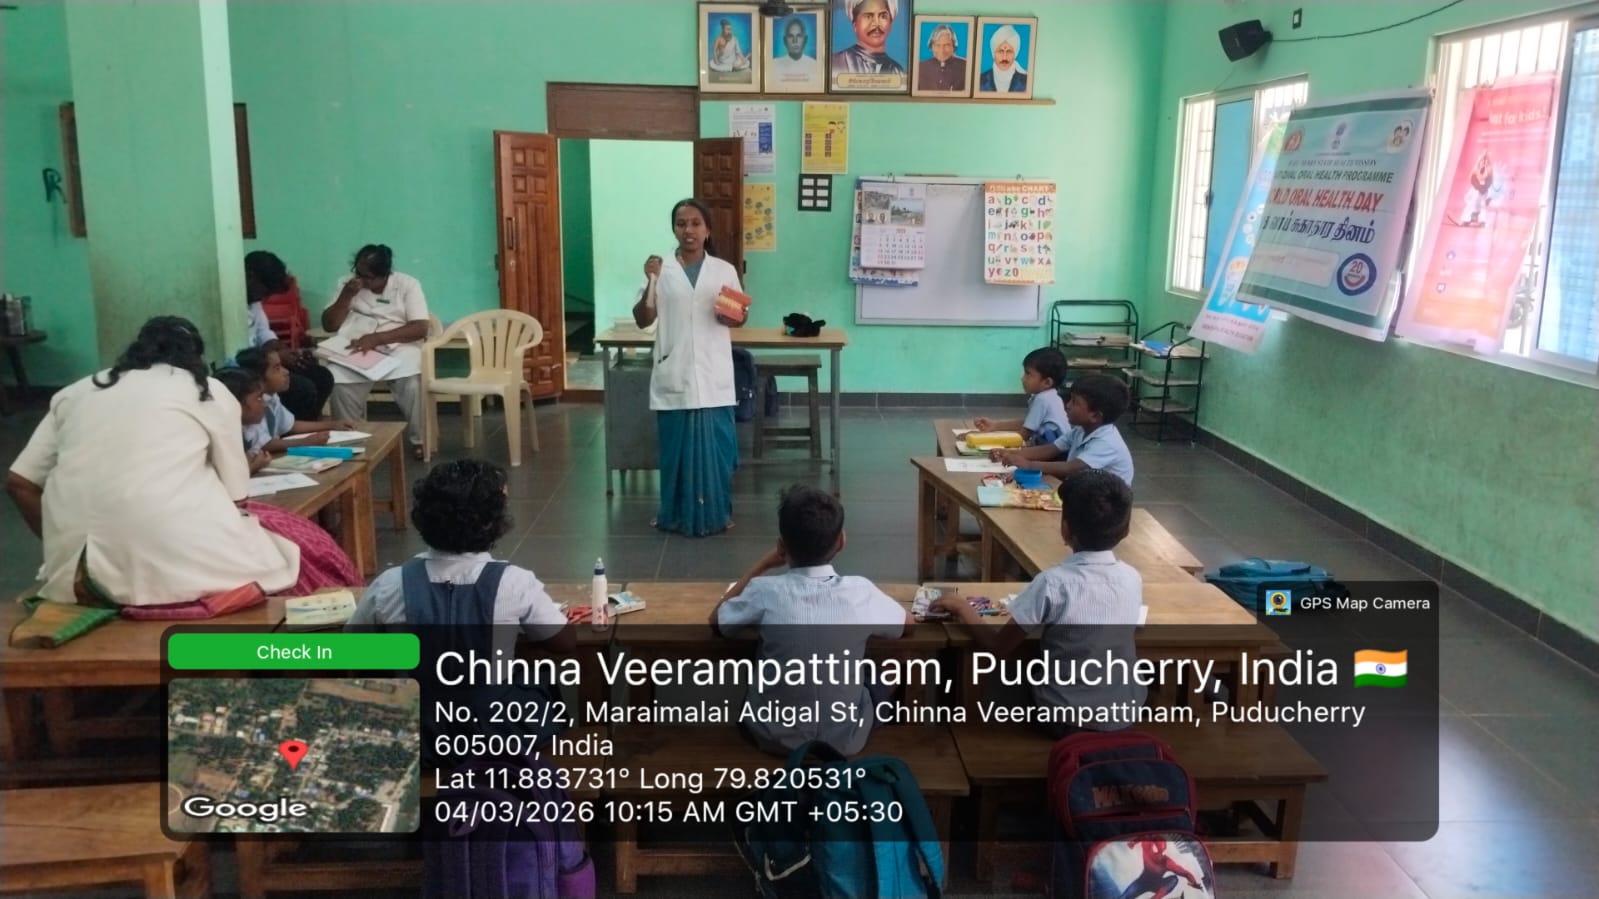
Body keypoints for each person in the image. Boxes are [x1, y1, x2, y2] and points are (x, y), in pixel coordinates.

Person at [5, 316, 300, 606]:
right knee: (284, 556)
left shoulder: (75, 392)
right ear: (196, 357)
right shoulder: (205, 390)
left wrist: (62, 547)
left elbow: (19, 483)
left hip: (76, 578)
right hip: (172, 567)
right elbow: (236, 495)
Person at [347, 459, 576, 748]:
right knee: (536, 678)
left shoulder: (390, 584)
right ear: (496, 523)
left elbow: (352, 647)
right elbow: (563, 643)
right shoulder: (514, 582)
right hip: (495, 735)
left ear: (422, 519)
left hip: (418, 734)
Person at [933, 470, 1145, 737]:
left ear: (1066, 528)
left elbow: (997, 647)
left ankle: (965, 729)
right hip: (1124, 716)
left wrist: (962, 607)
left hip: (1064, 719)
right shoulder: (1132, 578)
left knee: (1009, 680)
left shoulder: (1053, 582)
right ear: (1125, 530)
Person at [710, 484, 913, 756]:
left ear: (781, 547)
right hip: (846, 740)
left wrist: (762, 565)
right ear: (841, 541)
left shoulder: (764, 591)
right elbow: (907, 624)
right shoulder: (860, 591)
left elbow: (718, 620)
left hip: (770, 736)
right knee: (888, 667)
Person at [632, 199, 745, 536]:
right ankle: (674, 515)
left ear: (707, 230)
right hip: (675, 371)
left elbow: (738, 317)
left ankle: (718, 514)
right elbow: (643, 319)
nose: (688, 230)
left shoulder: (724, 270)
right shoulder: (660, 269)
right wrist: (651, 281)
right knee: (675, 453)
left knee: (720, 451)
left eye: (696, 223)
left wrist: (731, 314)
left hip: (713, 373)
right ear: (674, 229)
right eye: (681, 224)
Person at [213, 367, 363, 595]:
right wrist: (251, 467)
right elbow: (225, 478)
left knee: (310, 535)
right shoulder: (221, 433)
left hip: (248, 493)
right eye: (257, 399)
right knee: (297, 536)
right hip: (233, 508)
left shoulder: (246, 422)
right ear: (236, 405)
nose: (263, 404)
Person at [320, 244, 431, 459]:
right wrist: (346, 296)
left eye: (368, 277)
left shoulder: (407, 284)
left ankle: (420, 439)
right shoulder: (346, 284)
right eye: (358, 273)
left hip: (399, 347)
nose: (362, 281)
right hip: (358, 347)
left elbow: (420, 327)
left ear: (385, 275)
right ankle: (351, 439)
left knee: (413, 384)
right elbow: (329, 325)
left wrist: (377, 338)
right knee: (337, 379)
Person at [992, 373, 1134, 486]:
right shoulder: (1080, 430)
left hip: (1107, 502)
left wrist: (1029, 465)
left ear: (1095, 415)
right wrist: (1010, 453)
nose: (1068, 405)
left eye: (1075, 402)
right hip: (1084, 489)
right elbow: (1050, 449)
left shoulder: (1107, 442)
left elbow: (1072, 468)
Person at [245, 250, 334, 422]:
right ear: (250, 277)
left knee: (322, 376)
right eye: (266, 291)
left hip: (265, 359)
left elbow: (263, 332)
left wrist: (285, 350)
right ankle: (290, 429)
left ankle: (308, 425)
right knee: (303, 389)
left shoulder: (253, 302)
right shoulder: (230, 302)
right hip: (248, 367)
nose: (265, 298)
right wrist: (277, 357)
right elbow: (244, 348)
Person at [234, 345, 355, 455]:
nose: (286, 372)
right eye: (277, 368)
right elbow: (263, 444)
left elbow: (291, 425)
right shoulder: (252, 405)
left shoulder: (272, 396)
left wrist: (332, 425)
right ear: (259, 377)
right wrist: (304, 442)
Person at [973, 346, 1070, 447]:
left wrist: (981, 438)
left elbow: (1023, 435)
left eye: (1028, 374)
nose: (1022, 378)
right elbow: (1028, 424)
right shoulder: (1051, 396)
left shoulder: (1043, 399)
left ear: (1047, 382)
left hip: (1056, 451)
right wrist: (995, 425)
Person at [831, 0, 905, 78]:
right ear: (855, 25)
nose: (876, 23)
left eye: (883, 16)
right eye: (868, 16)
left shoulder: (898, 72)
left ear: (890, 24)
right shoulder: (836, 63)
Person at [917, 23, 967, 92]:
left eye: (946, 45)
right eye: (937, 45)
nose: (942, 50)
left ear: (953, 46)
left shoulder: (966, 67)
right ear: (931, 46)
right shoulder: (920, 67)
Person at [979, 24, 1028, 93]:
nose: (1004, 57)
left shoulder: (1026, 81)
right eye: (1000, 51)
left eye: (1009, 51)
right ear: (993, 53)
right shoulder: (980, 80)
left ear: (1015, 54)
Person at [770, 15, 819, 83]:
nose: (795, 41)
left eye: (799, 36)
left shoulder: (815, 65)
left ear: (805, 40)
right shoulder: (773, 64)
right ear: (785, 41)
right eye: (791, 36)